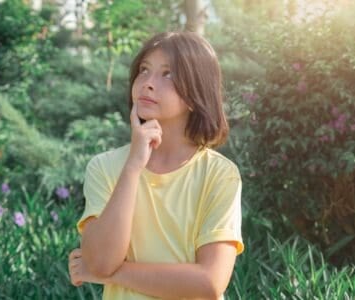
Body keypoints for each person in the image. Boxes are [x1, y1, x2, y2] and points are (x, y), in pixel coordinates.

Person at [69, 31, 243, 299]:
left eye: (168, 74)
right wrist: (133, 167)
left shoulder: (219, 175)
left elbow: (209, 283)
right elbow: (101, 261)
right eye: (144, 70)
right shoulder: (104, 167)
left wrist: (114, 273)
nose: (148, 84)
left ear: (196, 90)